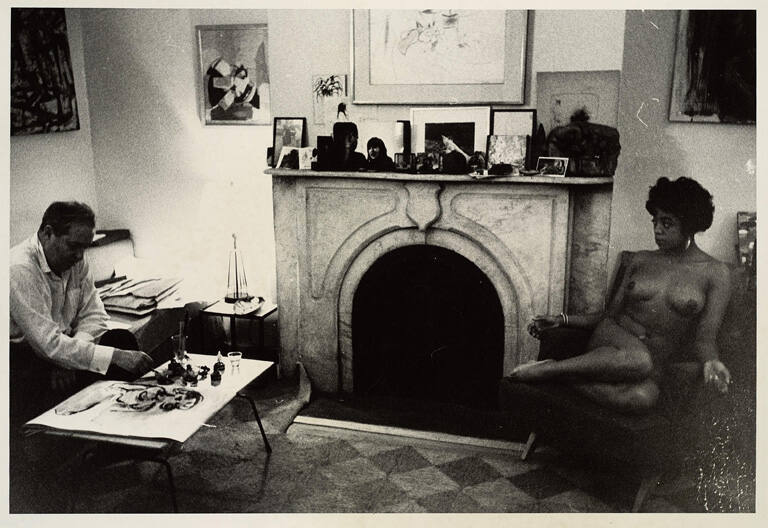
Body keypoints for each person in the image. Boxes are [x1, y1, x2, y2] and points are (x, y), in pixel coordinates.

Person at [514, 177, 732, 413]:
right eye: (655, 221)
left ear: (689, 225)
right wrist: (562, 319)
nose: (657, 229)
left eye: (667, 223)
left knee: (641, 398)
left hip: (653, 363)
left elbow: (705, 338)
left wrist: (712, 361)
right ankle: (547, 370)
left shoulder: (716, 273)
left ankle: (562, 375)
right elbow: (608, 315)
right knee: (639, 360)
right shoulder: (639, 260)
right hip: (613, 339)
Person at [9, 201, 154, 425]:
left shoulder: (76, 259)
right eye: (73, 246)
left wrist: (68, 361)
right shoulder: (19, 268)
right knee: (117, 355)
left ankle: (125, 427)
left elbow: (95, 315)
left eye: (84, 248)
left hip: (60, 348)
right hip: (24, 356)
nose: (79, 256)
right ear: (48, 234)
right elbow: (47, 344)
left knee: (122, 339)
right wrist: (114, 356)